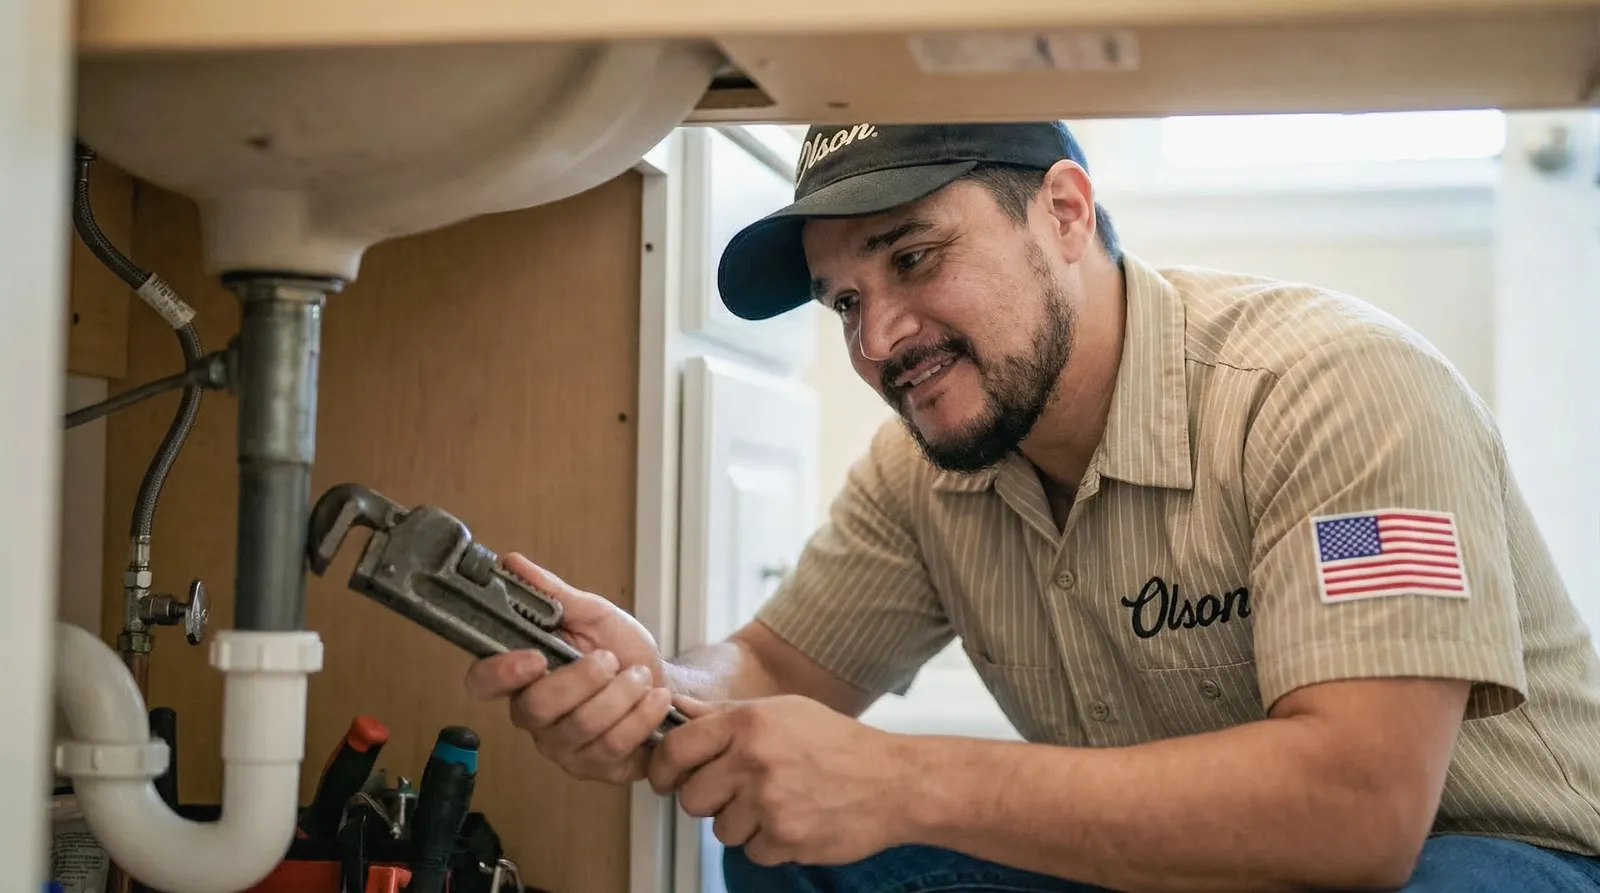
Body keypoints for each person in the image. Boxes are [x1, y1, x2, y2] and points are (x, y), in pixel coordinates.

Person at [464, 121, 1600, 892]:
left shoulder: (1331, 387)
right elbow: (773, 669)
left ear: (1064, 211)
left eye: (914, 257)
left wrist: (904, 778)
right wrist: (652, 690)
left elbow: (1360, 810)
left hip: (1498, 858)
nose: (878, 339)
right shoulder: (928, 470)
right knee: (781, 835)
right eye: (845, 300)